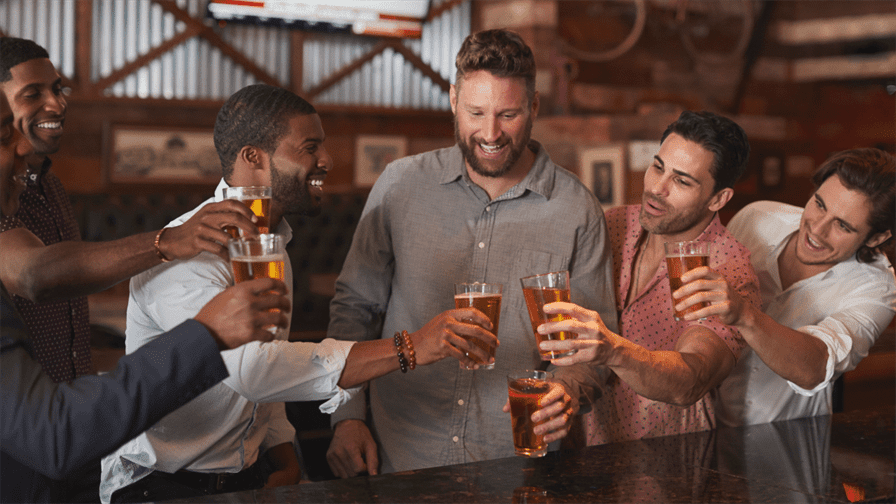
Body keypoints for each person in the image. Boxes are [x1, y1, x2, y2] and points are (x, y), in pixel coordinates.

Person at [99, 84, 496, 503]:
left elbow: (272, 369)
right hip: (158, 486)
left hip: (245, 478)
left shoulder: (272, 245)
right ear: (254, 157)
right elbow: (254, 372)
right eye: (310, 147)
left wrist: (283, 451)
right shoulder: (191, 256)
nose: (327, 160)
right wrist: (411, 346)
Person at [325, 28, 618, 477]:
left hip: (515, 464)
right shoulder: (401, 184)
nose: (490, 133)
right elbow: (353, 310)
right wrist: (346, 419)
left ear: (534, 107)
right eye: (475, 112)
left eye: (509, 114)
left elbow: (592, 350)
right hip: (398, 454)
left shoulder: (577, 209)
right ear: (452, 101)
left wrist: (567, 391)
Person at [0, 86, 292, 504]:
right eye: (2, 135)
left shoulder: (49, 189)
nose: (24, 145)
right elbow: (55, 433)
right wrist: (204, 333)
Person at [0, 36, 262, 384]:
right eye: (33, 94)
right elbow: (36, 276)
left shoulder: (50, 186)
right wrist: (166, 242)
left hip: (61, 411)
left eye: (58, 89)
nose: (57, 104)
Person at [537, 110, 761, 445]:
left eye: (682, 181)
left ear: (719, 198)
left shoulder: (727, 270)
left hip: (668, 464)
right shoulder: (613, 225)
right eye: (658, 166)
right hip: (583, 456)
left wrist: (614, 351)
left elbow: (693, 378)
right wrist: (563, 387)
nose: (657, 188)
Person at [673, 148, 895, 426]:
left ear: (877, 237)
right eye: (820, 204)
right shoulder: (758, 217)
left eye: (843, 225)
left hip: (787, 439)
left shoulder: (877, 287)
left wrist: (745, 314)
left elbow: (815, 367)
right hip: (701, 423)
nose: (817, 229)